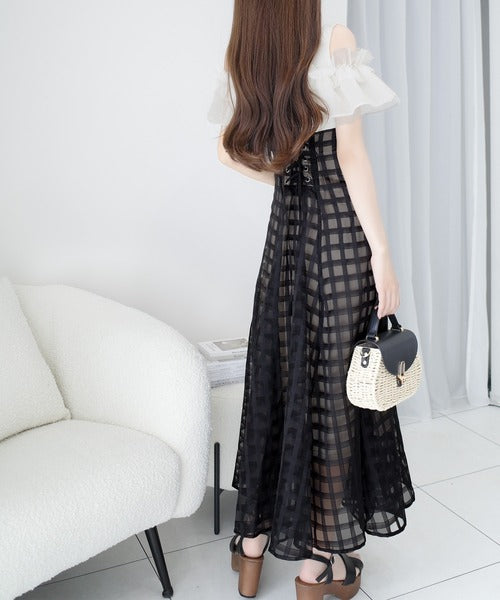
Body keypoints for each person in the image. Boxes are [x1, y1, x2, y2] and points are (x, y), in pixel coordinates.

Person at [207, 2, 416, 599]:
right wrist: (382, 252)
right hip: (339, 245)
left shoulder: (248, 53)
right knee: (334, 399)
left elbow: (227, 151)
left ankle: (250, 549)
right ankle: (318, 566)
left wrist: (285, 177)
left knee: (277, 386)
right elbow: (350, 156)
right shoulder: (334, 39)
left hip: (285, 244)